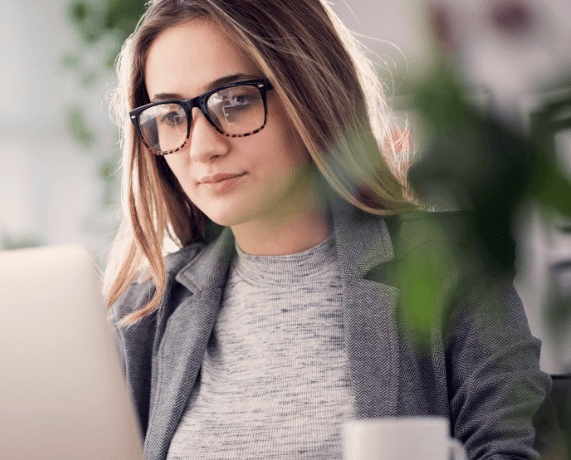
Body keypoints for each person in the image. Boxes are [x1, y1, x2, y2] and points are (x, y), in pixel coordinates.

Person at [103, 1, 550, 459]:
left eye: (234, 102)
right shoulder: (145, 312)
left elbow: (510, 448)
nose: (201, 147)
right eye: (171, 115)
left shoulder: (450, 266)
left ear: (310, 94)